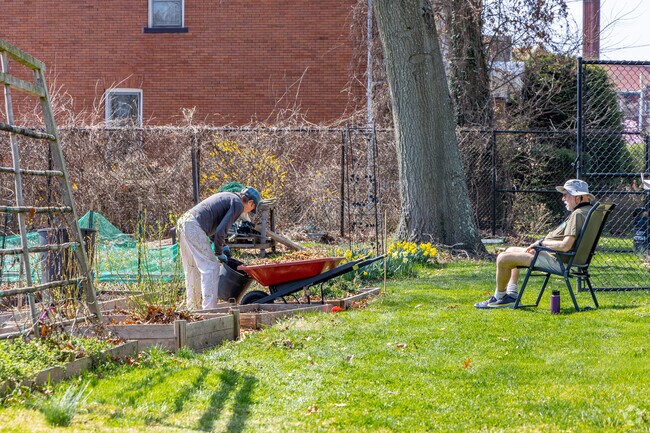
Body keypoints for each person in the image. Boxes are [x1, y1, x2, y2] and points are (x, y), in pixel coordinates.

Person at [475, 179, 596, 309]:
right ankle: (511, 295)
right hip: (564, 258)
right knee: (510, 249)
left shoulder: (578, 214)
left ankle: (499, 297)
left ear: (579, 197)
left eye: (566, 194)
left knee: (503, 258)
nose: (563, 198)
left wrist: (542, 244)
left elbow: (565, 246)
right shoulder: (588, 212)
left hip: (559, 260)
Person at [177, 186, 261, 309]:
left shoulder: (230, 197)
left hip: (185, 222)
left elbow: (213, 227)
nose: (248, 212)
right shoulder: (238, 204)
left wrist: (223, 246)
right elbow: (221, 231)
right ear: (250, 202)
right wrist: (219, 252)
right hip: (193, 226)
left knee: (192, 269)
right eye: (251, 209)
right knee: (211, 267)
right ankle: (209, 310)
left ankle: (193, 308)